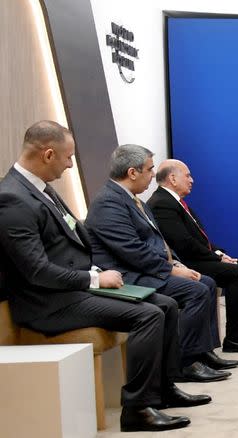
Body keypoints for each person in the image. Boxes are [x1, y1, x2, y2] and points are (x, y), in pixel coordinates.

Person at [0, 121, 208, 432]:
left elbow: (70, 246)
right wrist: (95, 279)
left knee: (165, 305)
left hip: (73, 290)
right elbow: (37, 270)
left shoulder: (39, 189)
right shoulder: (13, 198)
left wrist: (95, 272)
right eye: (68, 157)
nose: (71, 164)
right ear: (47, 154)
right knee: (149, 316)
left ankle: (163, 390)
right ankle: (137, 408)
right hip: (48, 303)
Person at [85, 144, 236, 382]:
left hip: (147, 268)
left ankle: (202, 352)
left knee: (206, 282)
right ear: (132, 172)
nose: (153, 175)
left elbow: (159, 242)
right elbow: (131, 251)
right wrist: (171, 271)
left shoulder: (136, 201)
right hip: (129, 276)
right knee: (196, 290)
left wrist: (177, 263)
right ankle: (186, 361)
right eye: (149, 169)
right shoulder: (108, 203)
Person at [148, 159, 238, 352]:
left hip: (198, 257)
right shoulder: (161, 204)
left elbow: (200, 239)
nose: (192, 180)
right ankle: (235, 338)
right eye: (188, 175)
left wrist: (220, 254)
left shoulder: (176, 202)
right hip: (186, 262)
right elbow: (183, 243)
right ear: (173, 178)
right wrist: (217, 259)